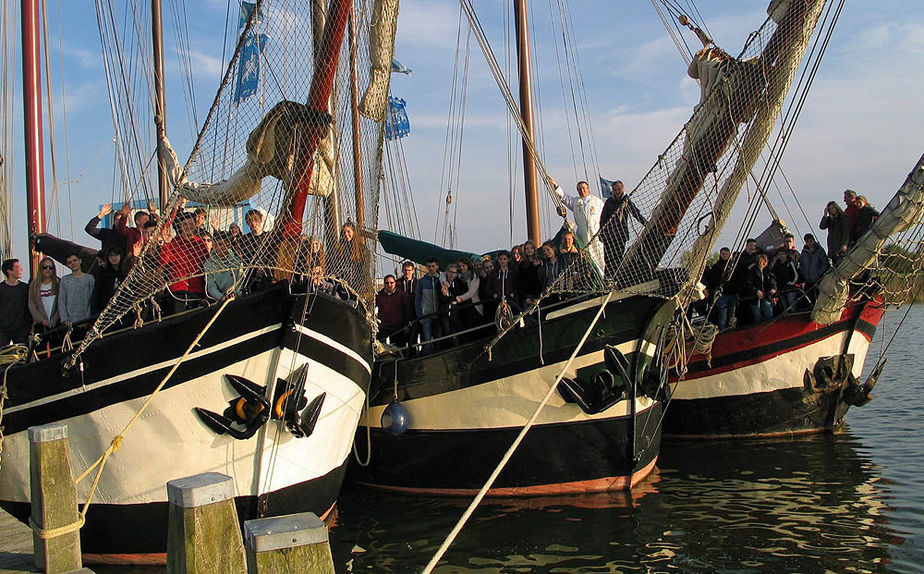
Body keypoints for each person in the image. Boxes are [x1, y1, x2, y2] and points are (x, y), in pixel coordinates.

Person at [548, 176, 605, 270]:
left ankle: (602, 273)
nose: (581, 191)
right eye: (579, 189)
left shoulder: (597, 201)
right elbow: (564, 197)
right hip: (582, 232)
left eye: (583, 188)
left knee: (598, 253)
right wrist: (555, 185)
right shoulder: (575, 202)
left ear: (588, 188)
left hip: (595, 230)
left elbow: (605, 215)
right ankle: (591, 272)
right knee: (587, 254)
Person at [158, 212, 209, 313]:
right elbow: (162, 262)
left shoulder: (200, 243)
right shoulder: (173, 242)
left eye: (190, 224)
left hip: (196, 288)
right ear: (180, 226)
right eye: (185, 224)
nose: (188, 227)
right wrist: (166, 244)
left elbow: (207, 262)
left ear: (195, 226)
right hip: (178, 288)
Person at [599, 180, 647, 278]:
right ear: (612, 190)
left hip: (621, 235)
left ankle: (617, 278)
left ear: (623, 189)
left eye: (619, 189)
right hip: (609, 235)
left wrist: (646, 223)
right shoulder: (609, 202)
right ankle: (608, 279)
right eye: (615, 190)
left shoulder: (626, 201)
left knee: (618, 258)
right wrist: (601, 233)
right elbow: (603, 218)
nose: (617, 192)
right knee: (608, 259)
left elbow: (636, 213)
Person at [93, 245, 135, 314]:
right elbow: (97, 294)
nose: (113, 258)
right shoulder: (103, 274)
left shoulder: (127, 272)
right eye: (111, 256)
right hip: (108, 310)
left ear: (120, 255)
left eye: (116, 255)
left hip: (125, 310)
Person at [58, 253, 96, 330]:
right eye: (70, 262)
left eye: (74, 260)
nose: (73, 263)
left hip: (86, 322)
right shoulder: (65, 280)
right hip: (70, 324)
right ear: (68, 265)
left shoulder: (90, 279)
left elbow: (92, 300)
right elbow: (61, 300)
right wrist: (65, 320)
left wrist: (88, 319)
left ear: (80, 261)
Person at [204, 231, 244, 301]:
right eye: (219, 244)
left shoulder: (237, 261)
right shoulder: (208, 264)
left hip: (236, 297)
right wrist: (221, 297)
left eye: (225, 244)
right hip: (220, 298)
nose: (222, 247)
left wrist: (236, 293)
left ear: (229, 246)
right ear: (214, 245)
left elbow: (240, 281)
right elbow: (211, 286)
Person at [0, 259, 32, 345]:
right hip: (3, 330)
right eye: (17, 267)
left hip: (21, 330)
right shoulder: (1, 289)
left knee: (23, 356)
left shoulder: (25, 288)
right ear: (9, 271)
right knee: (4, 356)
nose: (21, 269)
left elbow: (30, 308)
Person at [415, 257, 442, 353]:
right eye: (429, 266)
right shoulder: (422, 282)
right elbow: (417, 300)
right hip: (426, 315)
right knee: (427, 340)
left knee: (439, 338)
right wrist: (420, 316)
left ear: (437, 266)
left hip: (439, 314)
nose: (431, 268)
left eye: (433, 266)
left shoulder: (441, 280)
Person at [28, 257, 61, 337]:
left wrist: (54, 319)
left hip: (56, 324)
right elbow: (32, 304)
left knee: (56, 349)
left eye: (50, 267)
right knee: (41, 349)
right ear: (41, 269)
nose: (48, 270)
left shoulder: (59, 283)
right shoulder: (34, 285)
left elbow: (62, 303)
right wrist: (41, 320)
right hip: (40, 325)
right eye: (45, 267)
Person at [707, 247, 738, 330]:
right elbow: (712, 281)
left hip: (732, 293)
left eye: (726, 254)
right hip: (722, 295)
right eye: (723, 254)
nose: (725, 256)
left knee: (732, 316)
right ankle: (722, 330)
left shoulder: (733, 267)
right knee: (723, 317)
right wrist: (720, 279)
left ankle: (731, 331)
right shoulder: (716, 267)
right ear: (720, 255)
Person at [376, 274, 410, 347]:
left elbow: (407, 311)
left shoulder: (402, 295)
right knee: (381, 347)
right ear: (384, 284)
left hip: (398, 327)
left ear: (395, 283)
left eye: (391, 283)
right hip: (383, 327)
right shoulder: (379, 296)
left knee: (399, 348)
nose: (389, 285)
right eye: (387, 283)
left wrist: (406, 325)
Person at [485, 250, 518, 318]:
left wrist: (513, 293)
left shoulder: (513, 272)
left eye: (504, 259)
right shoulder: (494, 273)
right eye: (500, 259)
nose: (502, 261)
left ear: (508, 260)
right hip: (498, 303)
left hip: (511, 302)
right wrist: (493, 294)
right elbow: (488, 288)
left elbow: (517, 285)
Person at [799, 233, 829, 306]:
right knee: (810, 299)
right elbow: (802, 264)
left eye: (811, 241)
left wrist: (819, 273)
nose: (810, 243)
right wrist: (804, 274)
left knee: (821, 299)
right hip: (808, 280)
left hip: (819, 279)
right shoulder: (804, 252)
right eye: (807, 241)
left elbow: (825, 263)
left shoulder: (820, 250)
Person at [454, 257, 483, 333]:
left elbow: (472, 292)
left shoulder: (473, 276)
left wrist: (460, 298)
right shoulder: (458, 277)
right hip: (462, 307)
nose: (461, 268)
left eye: (463, 265)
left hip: (472, 306)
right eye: (459, 266)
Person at [746, 254, 776, 324]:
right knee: (758, 315)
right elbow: (748, 283)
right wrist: (756, 291)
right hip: (754, 297)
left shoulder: (767, 271)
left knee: (768, 313)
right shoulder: (753, 271)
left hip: (765, 295)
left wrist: (773, 288)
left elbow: (772, 281)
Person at [819, 201, 850, 266]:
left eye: (833, 208)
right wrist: (825, 215)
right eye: (830, 209)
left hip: (840, 245)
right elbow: (822, 226)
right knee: (835, 264)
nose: (832, 210)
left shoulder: (843, 218)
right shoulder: (830, 220)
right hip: (832, 246)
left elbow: (846, 232)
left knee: (840, 264)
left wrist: (845, 244)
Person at [771, 248, 799, 313]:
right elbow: (773, 276)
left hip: (790, 288)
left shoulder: (790, 262)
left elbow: (795, 275)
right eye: (779, 254)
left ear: (786, 254)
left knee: (792, 307)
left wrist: (791, 283)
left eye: (782, 254)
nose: (781, 256)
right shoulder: (776, 265)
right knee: (785, 309)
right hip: (781, 289)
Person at [517, 240, 542, 306]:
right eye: (527, 248)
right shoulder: (522, 265)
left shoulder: (540, 261)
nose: (529, 250)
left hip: (540, 294)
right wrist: (525, 297)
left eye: (531, 248)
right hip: (528, 295)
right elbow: (520, 282)